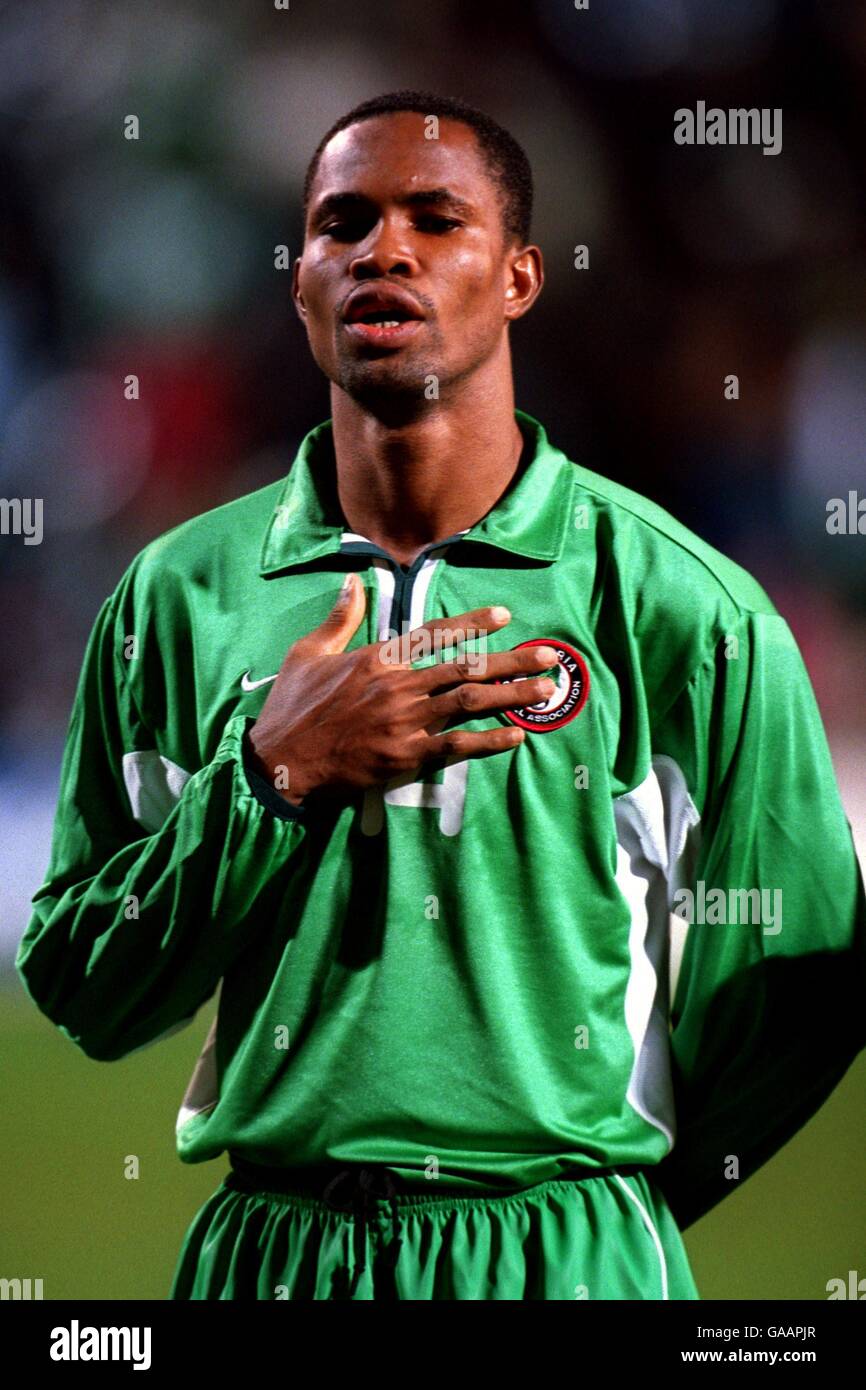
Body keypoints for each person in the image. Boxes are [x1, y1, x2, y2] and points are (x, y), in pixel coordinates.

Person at [17, 90, 866, 1302]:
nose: (383, 249)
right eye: (341, 222)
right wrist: (269, 782)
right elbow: (84, 983)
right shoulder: (177, 598)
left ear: (518, 277)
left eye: (434, 218)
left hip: (564, 1255)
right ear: (300, 282)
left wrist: (604, 1202)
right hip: (275, 1257)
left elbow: (801, 987)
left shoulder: (682, 604)